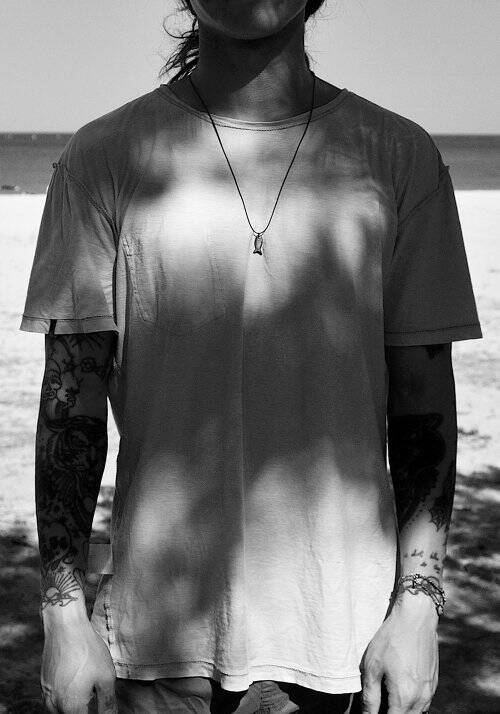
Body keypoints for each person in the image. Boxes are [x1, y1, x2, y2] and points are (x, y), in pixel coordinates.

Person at [19, 1, 483, 712]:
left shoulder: (398, 156)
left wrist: (417, 608)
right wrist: (63, 616)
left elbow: (424, 403)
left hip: (344, 642)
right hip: (157, 639)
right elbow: (69, 405)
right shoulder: (103, 157)